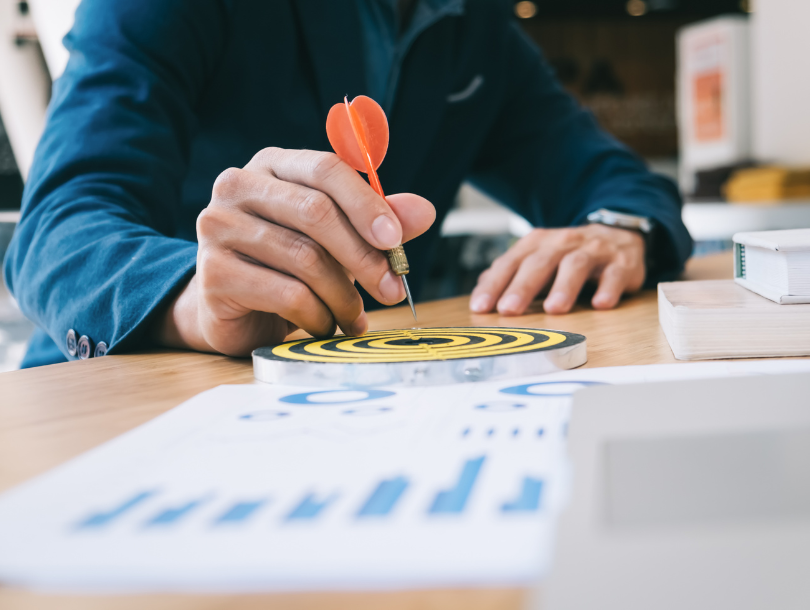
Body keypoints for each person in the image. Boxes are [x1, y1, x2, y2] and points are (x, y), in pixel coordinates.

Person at [4, 0, 692, 368]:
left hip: (350, 395)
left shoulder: (471, 23)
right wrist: (196, 300)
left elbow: (610, 176)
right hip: (123, 399)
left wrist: (618, 229)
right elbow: (57, 231)